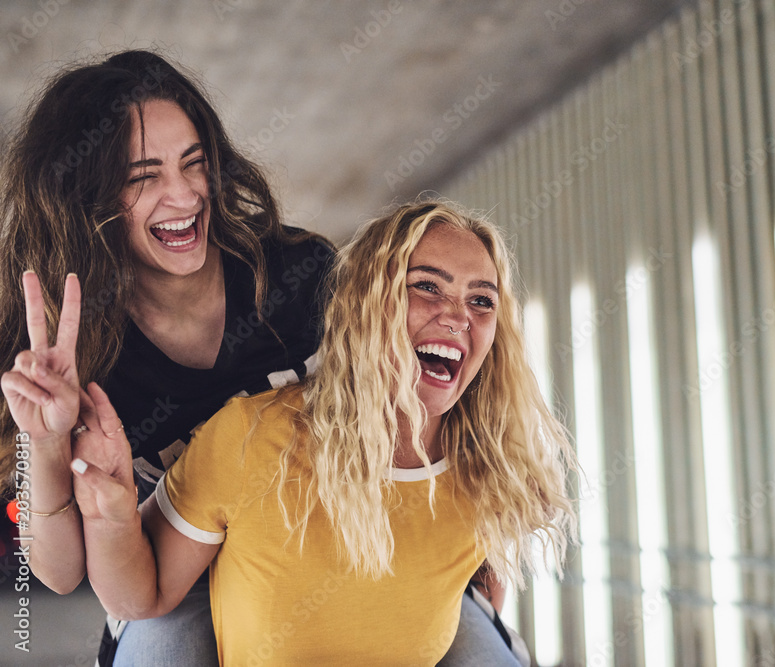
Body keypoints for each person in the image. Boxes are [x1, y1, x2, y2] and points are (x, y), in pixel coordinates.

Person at [66, 201, 574, 664]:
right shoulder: (250, 438)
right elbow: (143, 597)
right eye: (427, 286)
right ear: (365, 304)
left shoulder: (491, 468)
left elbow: (479, 585)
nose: (459, 317)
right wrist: (110, 515)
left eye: (481, 301)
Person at [0, 49, 332, 665]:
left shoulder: (300, 277)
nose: (183, 196)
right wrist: (45, 444)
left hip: (329, 548)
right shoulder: (60, 353)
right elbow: (61, 573)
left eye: (194, 164)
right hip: (171, 585)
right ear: (88, 200)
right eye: (142, 176)